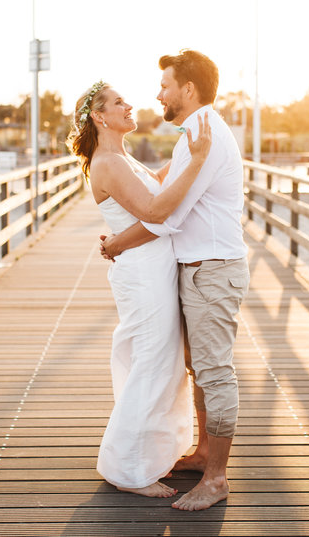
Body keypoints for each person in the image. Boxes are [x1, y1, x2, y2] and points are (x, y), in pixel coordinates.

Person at [101, 49, 250, 511]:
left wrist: (117, 243)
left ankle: (217, 478)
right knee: (198, 368)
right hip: (196, 270)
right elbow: (163, 184)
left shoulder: (205, 135)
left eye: (165, 85)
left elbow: (165, 214)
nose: (158, 94)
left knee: (214, 372)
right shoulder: (193, 136)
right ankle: (205, 452)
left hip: (213, 269)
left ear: (187, 89)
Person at [68, 79, 212, 499]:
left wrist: (187, 149)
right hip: (144, 275)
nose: (129, 106)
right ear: (99, 117)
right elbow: (155, 213)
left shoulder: (120, 156)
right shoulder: (108, 162)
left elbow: (158, 183)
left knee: (160, 363)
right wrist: (199, 161)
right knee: (152, 364)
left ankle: (148, 454)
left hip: (154, 270)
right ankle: (127, 469)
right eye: (118, 103)